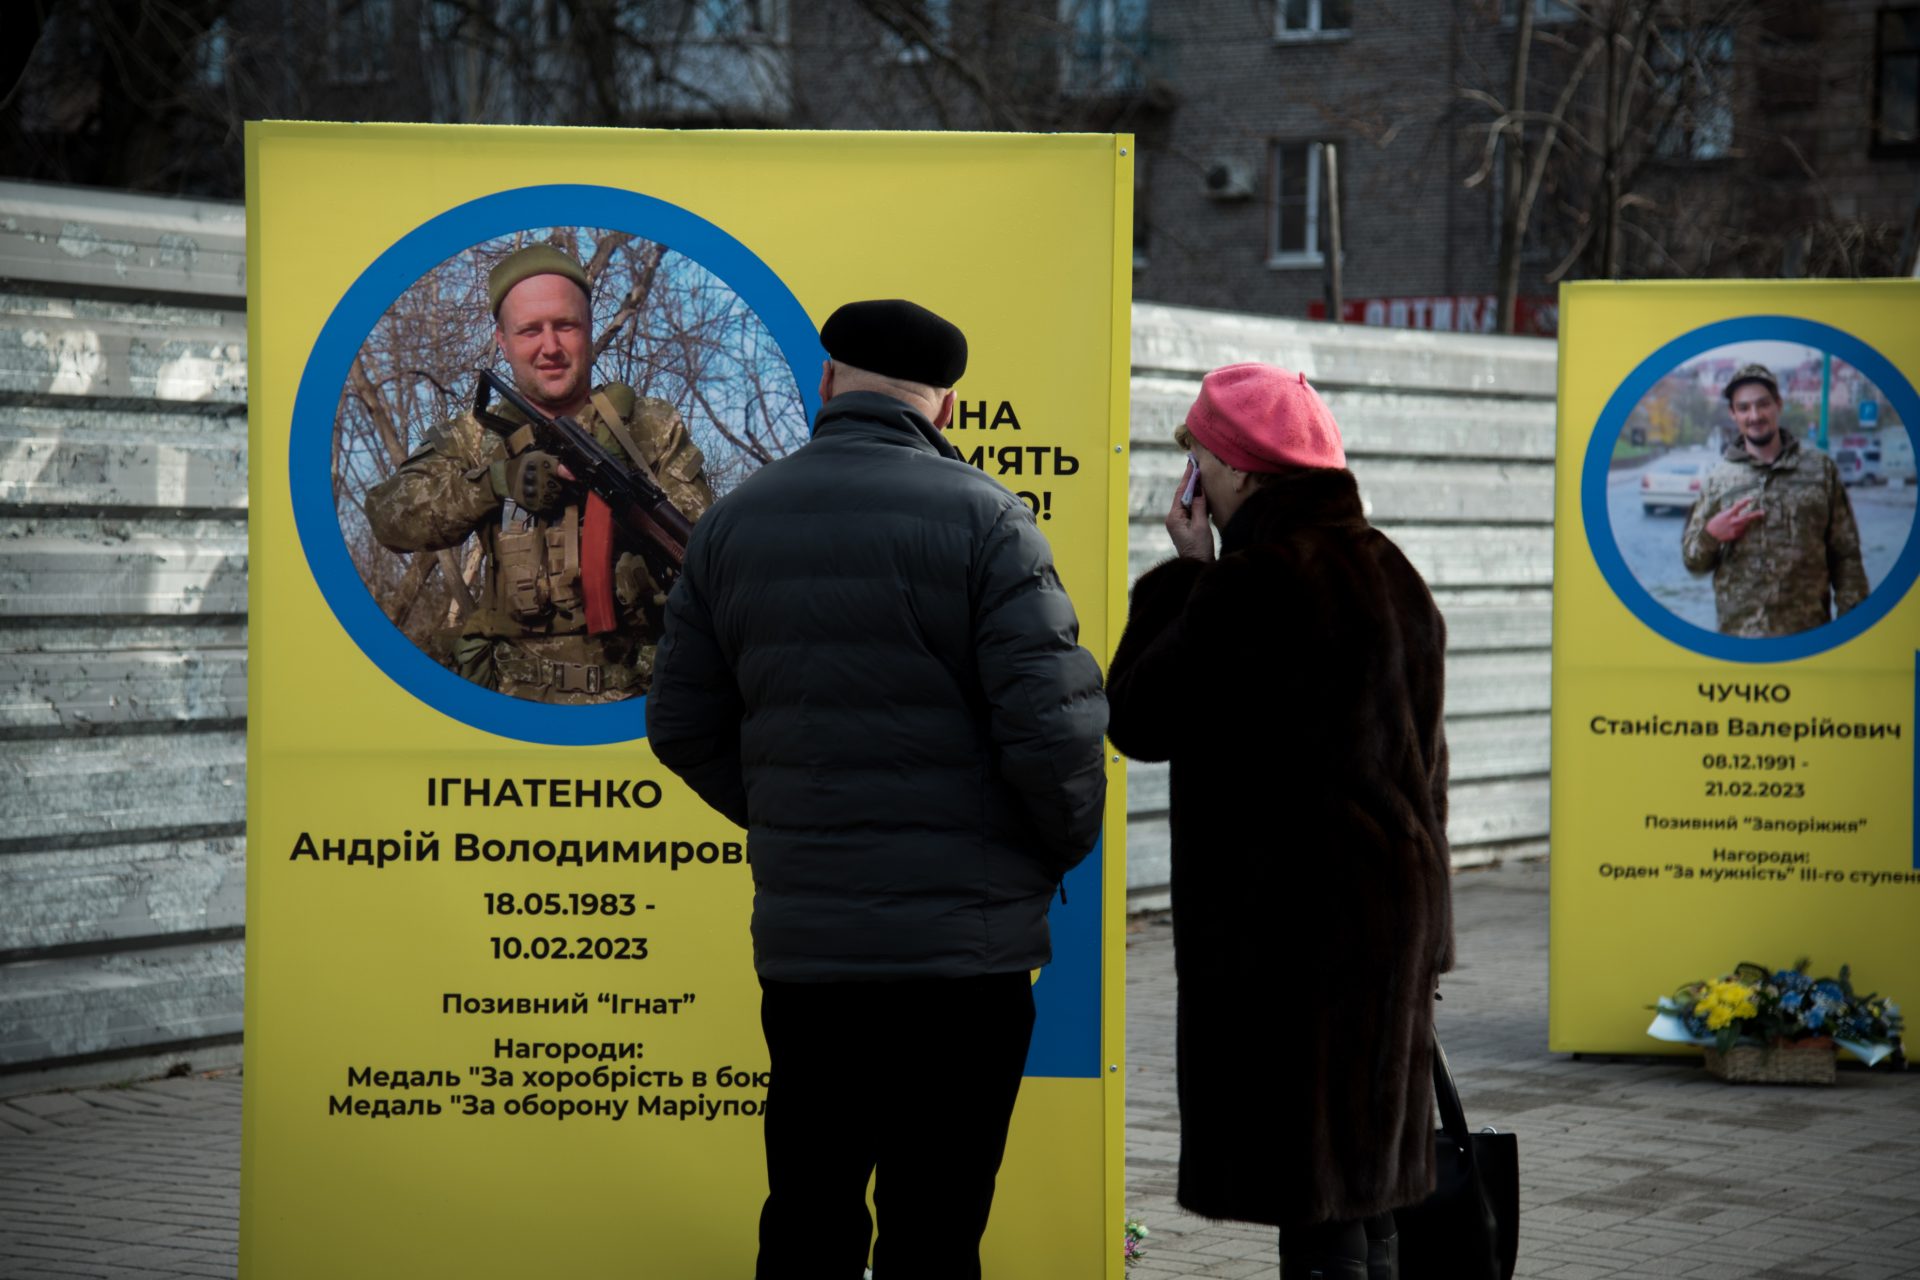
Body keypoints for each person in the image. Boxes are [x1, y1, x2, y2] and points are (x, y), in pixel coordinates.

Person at [645, 299, 1108, 1280]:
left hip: (814, 957)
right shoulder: (990, 520)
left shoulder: (730, 524)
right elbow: (1056, 733)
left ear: (826, 381)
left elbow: (681, 725)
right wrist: (1040, 850)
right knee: (935, 1226)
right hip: (963, 957)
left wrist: (796, 811)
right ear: (946, 406)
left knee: (808, 1213)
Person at [1105, 363, 1453, 1280]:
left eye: (1200, 458)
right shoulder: (1393, 572)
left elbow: (1138, 715)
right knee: (1370, 1191)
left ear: (1243, 470)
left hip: (1293, 937)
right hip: (1390, 919)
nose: (1195, 480)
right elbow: (1429, 770)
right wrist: (1431, 941)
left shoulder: (1252, 587)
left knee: (1318, 1204)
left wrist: (1188, 577)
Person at [363, 243, 716, 701]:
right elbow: (388, 517)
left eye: (565, 326)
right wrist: (495, 483)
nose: (550, 347)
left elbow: (702, 547)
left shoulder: (648, 427)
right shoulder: (474, 437)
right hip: (511, 701)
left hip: (640, 699)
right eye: (530, 331)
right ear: (502, 341)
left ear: (588, 331)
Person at [1680, 363, 1868, 637]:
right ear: (1733, 414)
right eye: (1743, 408)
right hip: (1741, 639)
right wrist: (1712, 534)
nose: (1754, 415)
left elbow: (1846, 555)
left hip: (1809, 636)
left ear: (1778, 405)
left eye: (1762, 404)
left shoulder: (1820, 470)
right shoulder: (1717, 480)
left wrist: (1852, 628)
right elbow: (1693, 562)